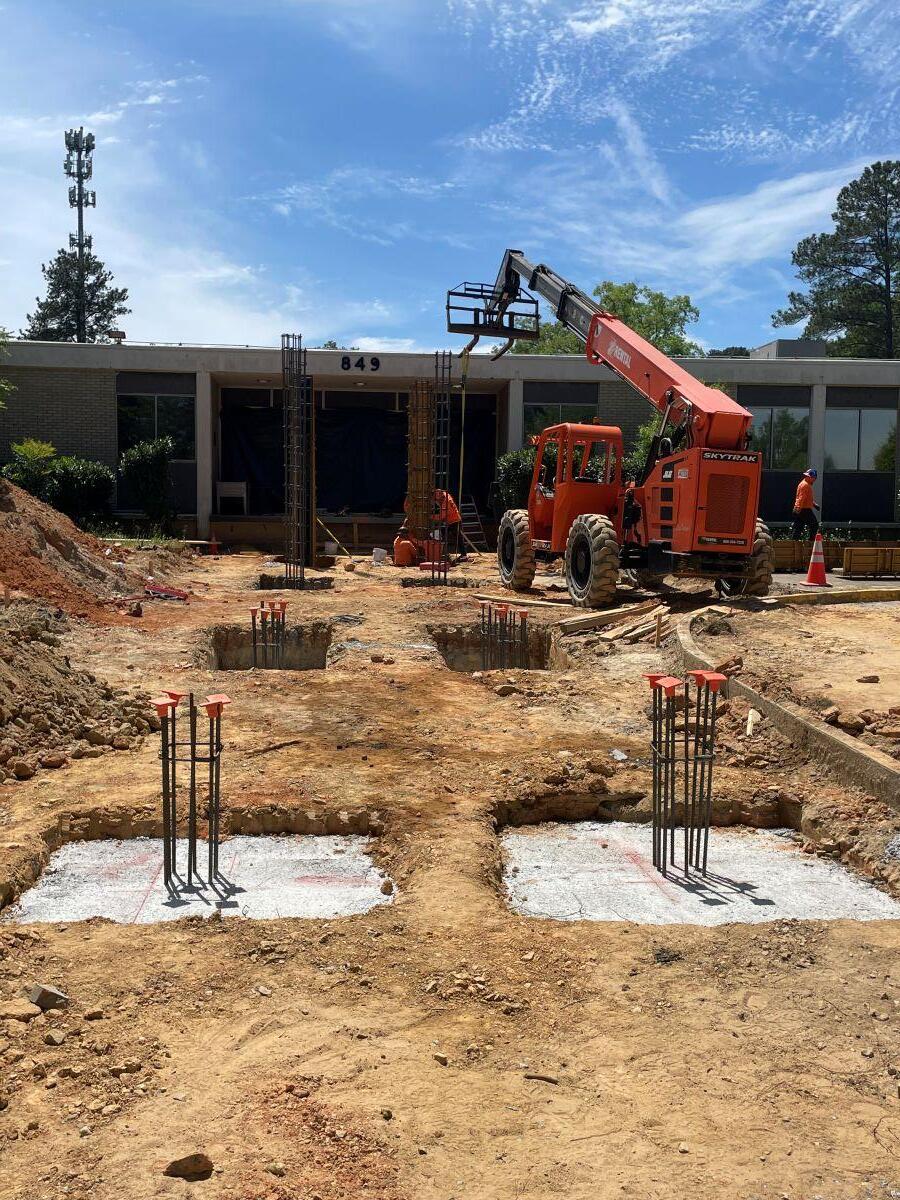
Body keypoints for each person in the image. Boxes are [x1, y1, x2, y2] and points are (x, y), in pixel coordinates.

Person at [791, 468, 820, 540]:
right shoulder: (806, 485)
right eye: (814, 478)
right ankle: (811, 542)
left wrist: (814, 504)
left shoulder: (803, 483)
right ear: (811, 477)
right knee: (814, 525)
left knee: (799, 527)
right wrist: (798, 508)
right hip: (804, 509)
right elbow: (801, 498)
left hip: (801, 508)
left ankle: (794, 543)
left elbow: (806, 498)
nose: (814, 480)